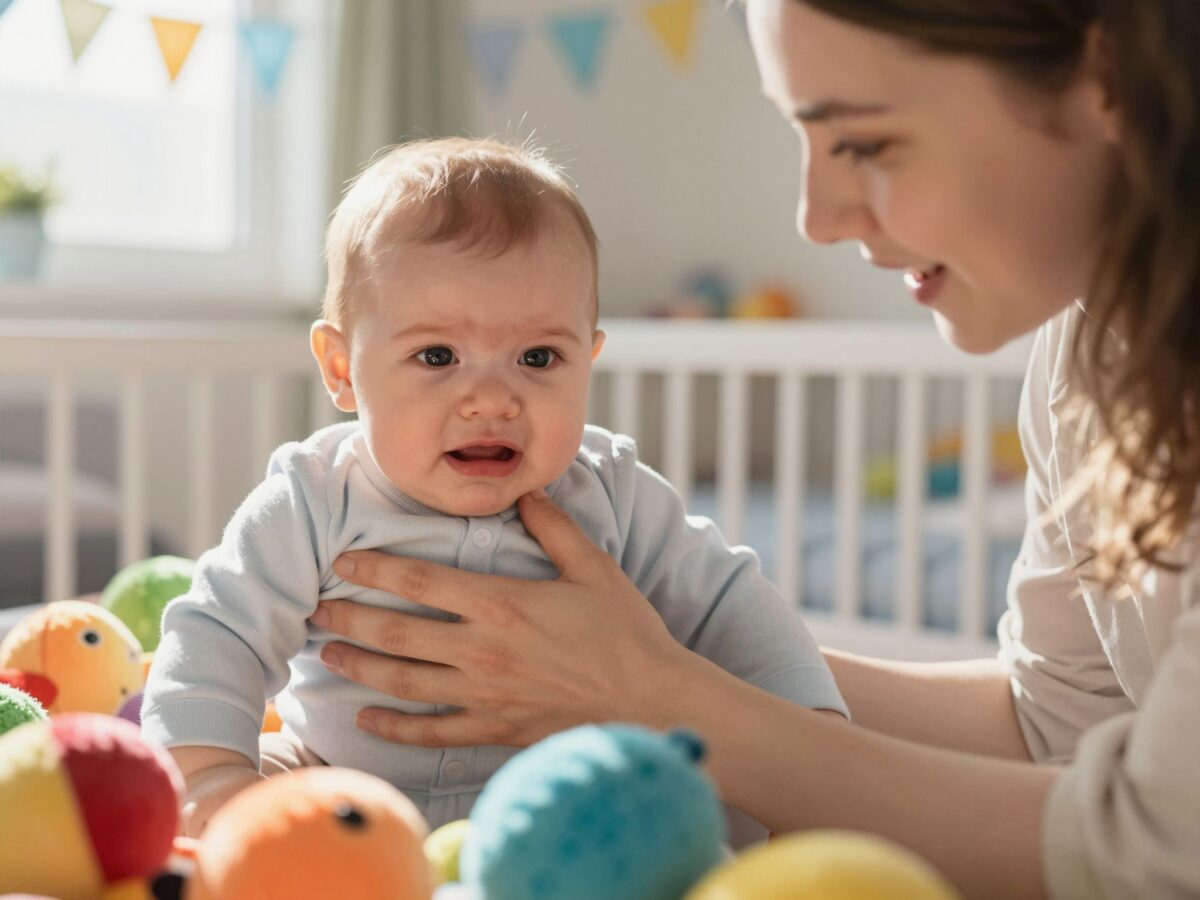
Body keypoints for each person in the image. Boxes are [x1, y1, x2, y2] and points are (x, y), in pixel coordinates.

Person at [305, 2, 1200, 898]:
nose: (814, 216)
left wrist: (657, 695)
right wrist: (657, 655)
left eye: (861, 142)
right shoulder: (1092, 351)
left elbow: (1159, 845)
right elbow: (1054, 722)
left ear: (1107, 78)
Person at [140, 137, 846, 841]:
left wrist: (809, 728)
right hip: (340, 783)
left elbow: (730, 604)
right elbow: (217, 633)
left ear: (588, 360)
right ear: (342, 369)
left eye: (538, 358)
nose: (491, 399)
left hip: (555, 808)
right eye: (437, 356)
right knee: (256, 806)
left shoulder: (612, 493)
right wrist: (211, 777)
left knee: (704, 816)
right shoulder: (315, 498)